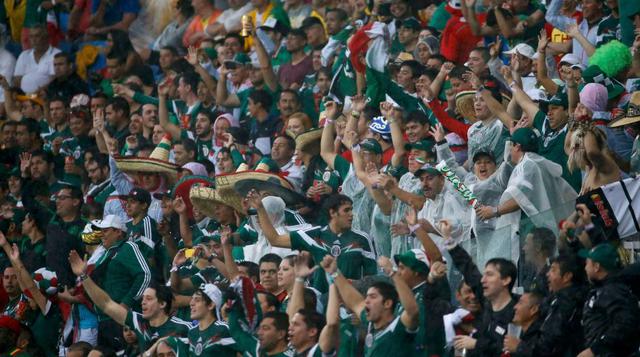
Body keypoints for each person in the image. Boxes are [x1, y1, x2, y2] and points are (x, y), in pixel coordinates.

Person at [252, 192, 377, 293]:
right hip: (320, 302)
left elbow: (372, 276)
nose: (351, 215)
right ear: (332, 213)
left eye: (351, 210)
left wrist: (358, 284)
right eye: (346, 210)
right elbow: (275, 239)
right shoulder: (314, 234)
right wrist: (261, 209)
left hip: (350, 302)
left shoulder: (362, 239)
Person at [68, 251, 190, 353]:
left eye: (149, 299)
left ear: (163, 304)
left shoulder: (183, 327)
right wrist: (84, 276)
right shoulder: (139, 321)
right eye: (142, 299)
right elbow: (106, 304)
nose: (143, 302)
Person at [320, 254, 419, 356]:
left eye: (373, 296)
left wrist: (392, 272)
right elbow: (355, 302)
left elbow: (413, 311)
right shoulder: (371, 325)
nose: (366, 300)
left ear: (387, 303)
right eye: (367, 297)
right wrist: (335, 273)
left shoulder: (398, 327)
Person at [79, 215, 152, 353]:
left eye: (106, 230)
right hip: (103, 319)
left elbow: (145, 275)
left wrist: (126, 303)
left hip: (122, 319)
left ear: (118, 232)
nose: (102, 235)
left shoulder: (127, 247)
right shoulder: (104, 254)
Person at [578, 243, 640, 357]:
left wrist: (594, 350)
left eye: (587, 263)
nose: (585, 268)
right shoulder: (604, 289)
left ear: (597, 267)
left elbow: (625, 325)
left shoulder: (613, 291)